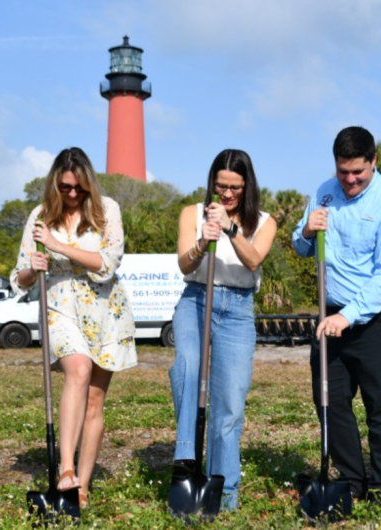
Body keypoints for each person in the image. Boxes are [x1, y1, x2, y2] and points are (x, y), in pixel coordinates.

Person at [292, 126, 381, 501]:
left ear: (374, 161)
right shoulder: (324, 191)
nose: (349, 180)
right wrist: (306, 232)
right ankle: (351, 480)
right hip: (330, 314)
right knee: (329, 398)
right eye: (343, 171)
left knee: (380, 403)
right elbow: (301, 246)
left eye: (357, 172)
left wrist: (348, 316)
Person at [11, 147, 137, 506]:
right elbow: (19, 277)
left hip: (104, 311)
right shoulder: (40, 216)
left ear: (88, 186)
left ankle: (81, 487)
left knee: (95, 401)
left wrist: (58, 246)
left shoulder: (106, 209)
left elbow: (107, 264)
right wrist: (32, 266)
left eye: (78, 189)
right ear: (55, 182)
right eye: (65, 187)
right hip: (59, 306)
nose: (71, 195)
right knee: (78, 369)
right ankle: (66, 470)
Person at [169, 148, 277, 510]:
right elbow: (185, 266)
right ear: (211, 183)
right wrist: (203, 240)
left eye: (234, 187)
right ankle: (186, 460)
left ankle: (225, 491)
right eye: (220, 186)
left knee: (229, 401)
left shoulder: (264, 221)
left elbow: (253, 260)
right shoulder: (191, 213)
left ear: (247, 186)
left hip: (238, 309)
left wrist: (230, 230)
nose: (227, 194)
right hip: (196, 299)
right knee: (186, 364)